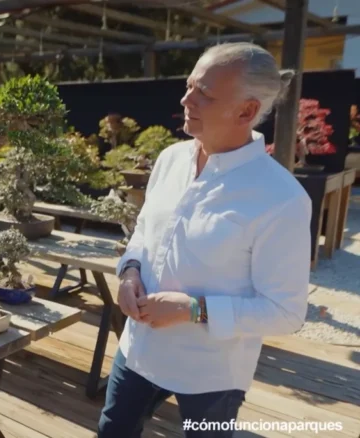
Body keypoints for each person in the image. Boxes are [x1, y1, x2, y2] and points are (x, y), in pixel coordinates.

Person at [98, 42, 311, 437]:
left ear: (247, 111)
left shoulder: (281, 198)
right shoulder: (171, 159)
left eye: (205, 94)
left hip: (211, 371)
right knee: (114, 429)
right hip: (140, 348)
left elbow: (286, 311)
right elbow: (144, 231)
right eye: (190, 85)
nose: (186, 99)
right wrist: (129, 272)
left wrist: (194, 310)